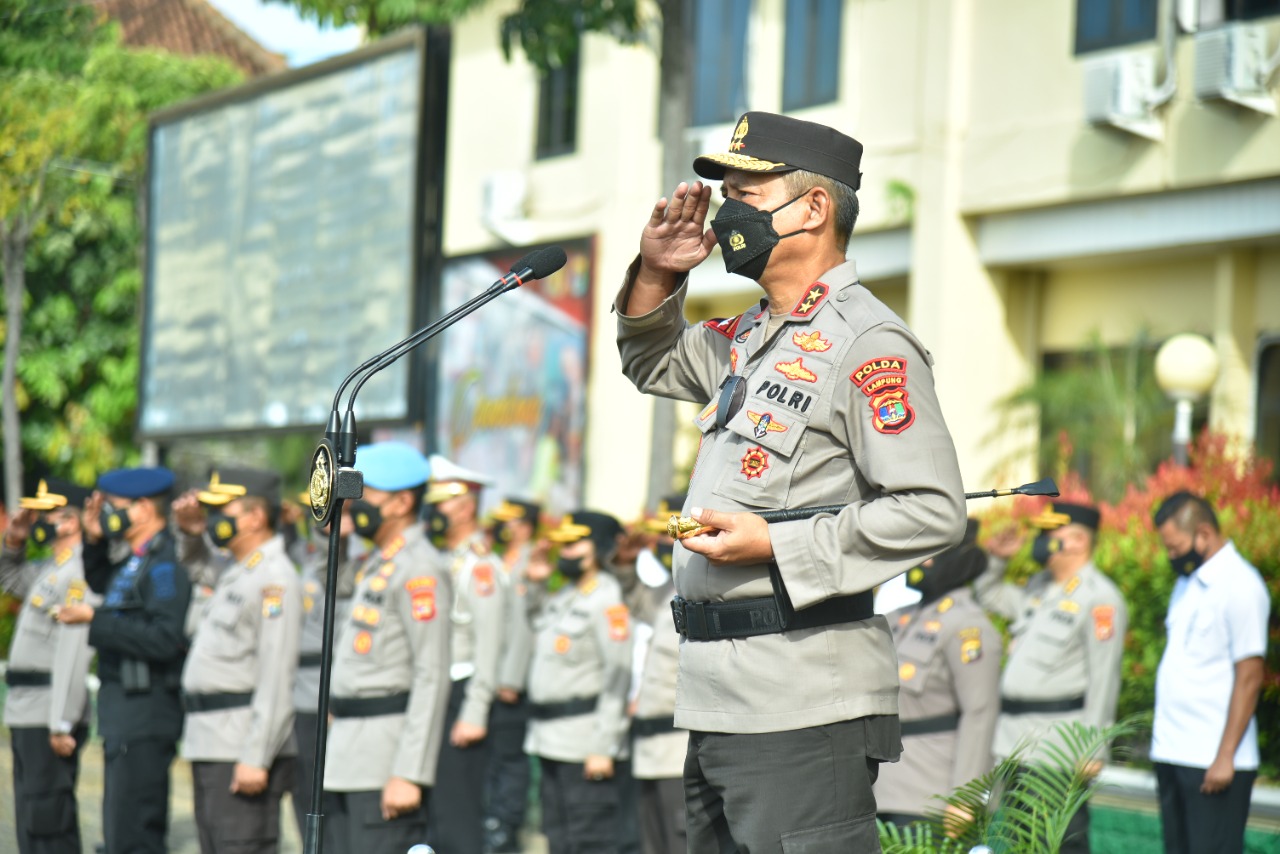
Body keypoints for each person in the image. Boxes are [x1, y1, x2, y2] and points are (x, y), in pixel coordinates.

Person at [615, 110, 966, 851]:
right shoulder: (748, 335)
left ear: (812, 209)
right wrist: (657, 274)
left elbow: (932, 511)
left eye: (746, 191)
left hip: (805, 699)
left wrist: (776, 544)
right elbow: (650, 360)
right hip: (717, 693)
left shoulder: (869, 342)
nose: (727, 210)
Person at [323, 442, 452, 854]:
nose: (355, 504)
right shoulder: (378, 560)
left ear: (400, 502)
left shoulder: (419, 567)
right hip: (348, 759)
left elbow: (431, 674)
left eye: (365, 494)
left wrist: (409, 773)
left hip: (385, 765)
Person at [977, 501, 1127, 854]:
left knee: (1059, 842)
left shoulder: (1100, 598)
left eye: (1049, 534)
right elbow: (988, 594)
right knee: (1019, 842)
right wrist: (997, 560)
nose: (1041, 541)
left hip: (1058, 745)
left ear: (1075, 541)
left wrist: (1093, 749)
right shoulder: (1037, 588)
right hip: (1014, 740)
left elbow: (1104, 679)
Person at [59, 466, 192, 854]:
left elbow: (166, 638)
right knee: (118, 831)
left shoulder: (165, 563)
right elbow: (102, 582)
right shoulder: (136, 560)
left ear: (143, 508)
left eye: (113, 508)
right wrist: (94, 539)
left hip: (147, 713)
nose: (107, 516)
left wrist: (94, 619)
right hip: (126, 715)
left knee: (134, 835)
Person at [179, 467, 302, 854]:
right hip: (212, 743)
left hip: (240, 748)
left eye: (222, 511)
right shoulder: (237, 570)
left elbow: (277, 675)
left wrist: (256, 755)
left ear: (254, 517)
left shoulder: (274, 578)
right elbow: (197, 566)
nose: (214, 520)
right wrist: (192, 532)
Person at [1150, 491, 1269, 854]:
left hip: (1212, 761)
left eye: (1176, 547)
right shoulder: (1187, 584)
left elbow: (1250, 676)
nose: (1172, 556)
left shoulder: (1242, 585)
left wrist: (1225, 756)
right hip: (1173, 753)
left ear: (1203, 534)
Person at [875, 519, 1001, 829]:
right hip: (882, 788)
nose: (920, 562)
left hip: (929, 793)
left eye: (929, 553)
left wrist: (965, 796)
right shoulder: (903, 617)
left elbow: (980, 713)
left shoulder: (967, 625)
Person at [525, 510, 634, 854]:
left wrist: (603, 747)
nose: (567, 552)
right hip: (548, 741)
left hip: (584, 743)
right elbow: (531, 623)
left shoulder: (606, 601)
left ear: (599, 547)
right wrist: (537, 582)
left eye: (576, 544)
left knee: (589, 841)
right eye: (564, 544)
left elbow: (618, 678)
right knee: (558, 838)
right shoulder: (565, 596)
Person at [1, 479, 98, 854]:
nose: (37, 520)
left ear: (70, 522)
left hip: (47, 709)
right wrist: (14, 541)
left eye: (45, 515)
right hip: (27, 709)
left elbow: (74, 650)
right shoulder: (50, 567)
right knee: (30, 821)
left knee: (49, 824)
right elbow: (8, 578)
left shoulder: (80, 570)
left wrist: (62, 720)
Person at [422, 455, 509, 854]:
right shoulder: (442, 559)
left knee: (459, 820)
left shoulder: (480, 568)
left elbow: (489, 645)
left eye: (443, 501)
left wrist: (474, 712)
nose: (434, 510)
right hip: (437, 692)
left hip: (461, 696)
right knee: (435, 817)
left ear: (467, 504)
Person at [290, 499, 362, 834]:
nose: (322, 518)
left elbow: (347, 631)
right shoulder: (303, 554)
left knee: (331, 801)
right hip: (299, 693)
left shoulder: (357, 556)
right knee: (305, 793)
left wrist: (334, 697)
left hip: (329, 691)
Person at [629, 495, 689, 854]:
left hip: (678, 750)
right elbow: (630, 598)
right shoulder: (666, 591)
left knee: (679, 843)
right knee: (652, 845)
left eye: (671, 533)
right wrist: (626, 557)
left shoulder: (707, 592)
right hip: (649, 751)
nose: (663, 544)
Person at [483, 497, 541, 853]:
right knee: (491, 761)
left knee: (510, 762)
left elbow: (523, 628)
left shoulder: (532, 560)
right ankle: (493, 824)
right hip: (490, 676)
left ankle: (507, 829)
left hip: (512, 683)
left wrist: (511, 680)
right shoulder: (496, 559)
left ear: (526, 524)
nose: (506, 528)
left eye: (512, 521)